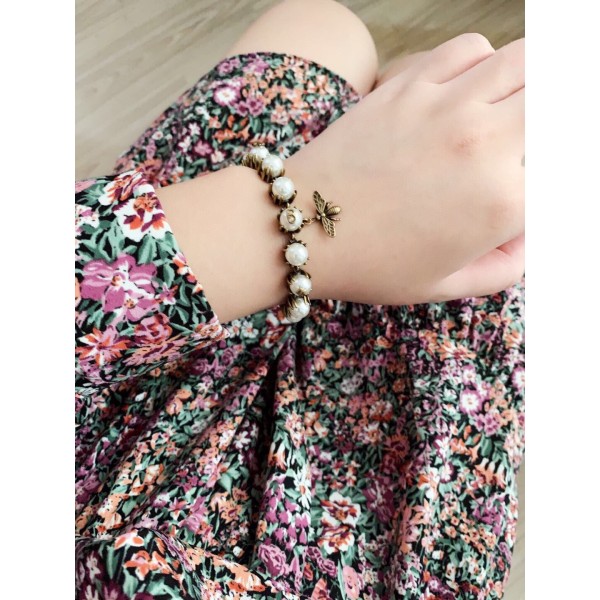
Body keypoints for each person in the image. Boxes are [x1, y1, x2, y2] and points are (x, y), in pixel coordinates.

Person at [75, 1, 524, 598]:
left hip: (122, 340)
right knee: (480, 167)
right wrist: (313, 216)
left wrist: (299, 209)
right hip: (343, 515)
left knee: (332, 32)